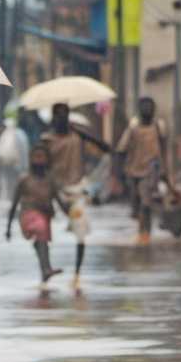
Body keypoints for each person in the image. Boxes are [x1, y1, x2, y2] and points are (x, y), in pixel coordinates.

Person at [41, 103, 109, 282]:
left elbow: (105, 148)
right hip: (54, 190)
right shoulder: (46, 140)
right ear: (53, 117)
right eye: (58, 114)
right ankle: (45, 269)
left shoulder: (78, 138)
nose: (62, 118)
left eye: (65, 114)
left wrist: (82, 131)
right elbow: (41, 168)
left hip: (77, 190)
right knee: (41, 229)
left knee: (80, 231)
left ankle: (77, 274)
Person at [5, 145, 66, 284]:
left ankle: (44, 272)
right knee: (40, 228)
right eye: (36, 157)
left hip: (45, 216)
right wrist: (8, 228)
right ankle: (47, 268)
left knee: (41, 239)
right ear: (31, 160)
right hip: (28, 216)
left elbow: (60, 202)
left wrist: (72, 215)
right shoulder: (24, 180)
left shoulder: (51, 181)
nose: (39, 160)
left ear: (47, 160)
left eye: (42, 157)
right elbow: (14, 204)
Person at [114, 97, 169, 245]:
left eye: (150, 106)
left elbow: (163, 148)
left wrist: (164, 169)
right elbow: (121, 149)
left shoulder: (158, 126)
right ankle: (142, 227)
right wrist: (119, 173)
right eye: (144, 106)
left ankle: (145, 232)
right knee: (137, 202)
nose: (147, 109)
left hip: (151, 170)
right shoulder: (133, 128)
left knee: (146, 201)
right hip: (134, 171)